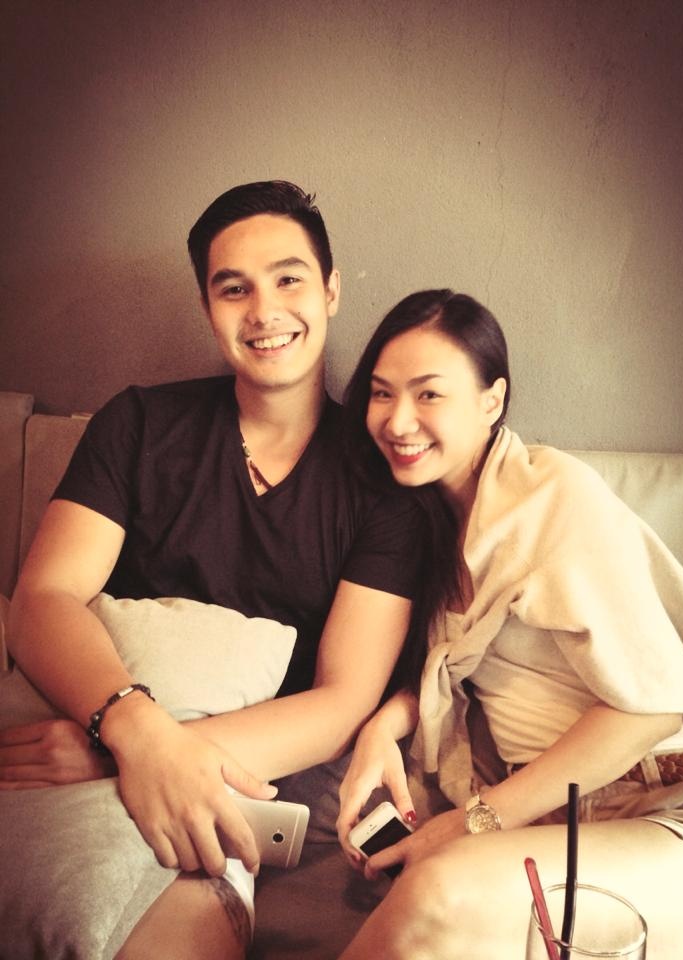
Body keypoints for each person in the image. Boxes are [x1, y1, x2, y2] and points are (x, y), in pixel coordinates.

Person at [0, 181, 426, 959]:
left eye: (289, 279)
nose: (264, 310)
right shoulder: (138, 423)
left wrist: (126, 757)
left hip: (245, 768)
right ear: (207, 306)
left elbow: (342, 701)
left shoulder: (380, 482)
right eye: (235, 288)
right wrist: (129, 728)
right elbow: (43, 597)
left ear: (330, 290)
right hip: (94, 714)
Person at [335, 289, 683, 959]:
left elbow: (654, 707)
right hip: (553, 820)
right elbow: (452, 664)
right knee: (422, 887)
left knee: (436, 896)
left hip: (668, 805)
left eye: (429, 394)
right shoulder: (426, 522)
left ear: (492, 401)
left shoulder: (552, 497)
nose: (398, 420)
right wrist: (381, 729)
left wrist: (476, 822)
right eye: (381, 393)